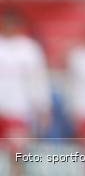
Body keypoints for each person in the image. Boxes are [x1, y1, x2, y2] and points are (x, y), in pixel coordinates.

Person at [0, 9, 51, 175]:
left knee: (17, 152)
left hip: (18, 109)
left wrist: (43, 107)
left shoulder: (29, 49)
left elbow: (38, 80)